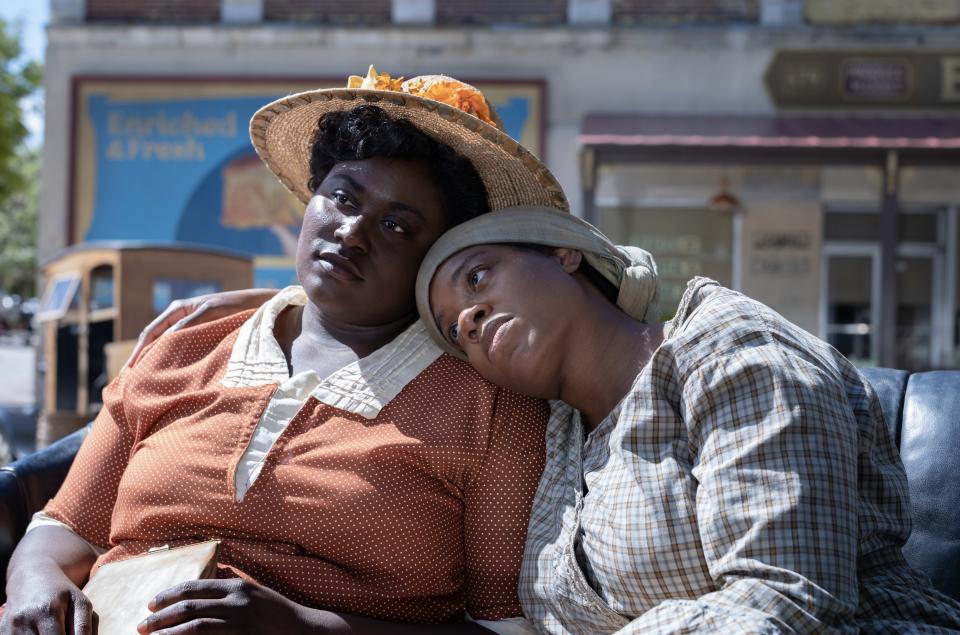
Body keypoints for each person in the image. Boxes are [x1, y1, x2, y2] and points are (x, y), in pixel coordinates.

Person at [2, 71, 569, 635]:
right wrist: (34, 578)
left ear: (442, 257)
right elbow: (66, 525)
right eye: (343, 197)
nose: (351, 232)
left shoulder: (492, 408)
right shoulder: (181, 351)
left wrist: (304, 625)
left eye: (398, 225)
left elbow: (501, 630)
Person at [416, 205, 960, 634]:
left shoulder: (726, 347)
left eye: (478, 276)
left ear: (564, 252)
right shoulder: (557, 440)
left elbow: (786, 597)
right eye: (453, 331)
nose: (469, 317)